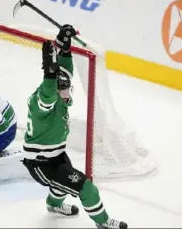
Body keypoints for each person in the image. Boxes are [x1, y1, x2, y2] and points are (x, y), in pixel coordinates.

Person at [22, 25, 128, 229]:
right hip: (41, 163)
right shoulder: (43, 102)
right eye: (62, 86)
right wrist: (49, 76)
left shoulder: (61, 92)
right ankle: (103, 222)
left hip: (56, 156)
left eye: (67, 85)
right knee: (86, 188)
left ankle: (53, 205)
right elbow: (47, 96)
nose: (67, 90)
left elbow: (65, 70)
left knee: (63, 182)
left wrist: (64, 45)